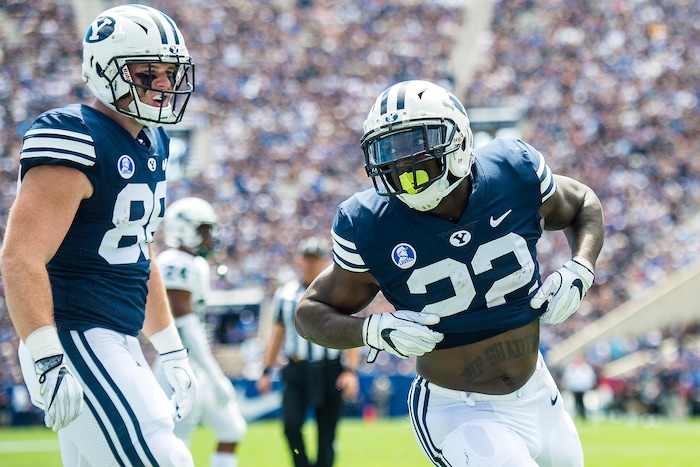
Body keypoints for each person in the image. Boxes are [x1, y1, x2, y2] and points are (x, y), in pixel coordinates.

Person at [295, 80, 605, 466]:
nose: (402, 164)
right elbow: (309, 312)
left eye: (415, 144)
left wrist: (581, 267)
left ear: (457, 139)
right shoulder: (369, 222)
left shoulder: (512, 171)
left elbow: (583, 204)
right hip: (460, 409)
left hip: (540, 393)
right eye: (389, 149)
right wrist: (369, 331)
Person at [1, 5, 198, 466]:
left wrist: (169, 347)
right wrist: (47, 355)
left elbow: (137, 251)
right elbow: (19, 257)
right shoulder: (74, 135)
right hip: (75, 332)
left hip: (118, 334)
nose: (163, 84)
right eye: (147, 72)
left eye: (168, 72)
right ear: (104, 71)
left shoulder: (155, 141)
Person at [154, 197, 248, 467]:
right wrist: (216, 374)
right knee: (177, 443)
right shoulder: (174, 260)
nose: (210, 238)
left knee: (232, 429)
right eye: (204, 230)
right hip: (177, 365)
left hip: (195, 364)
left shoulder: (194, 263)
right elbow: (185, 321)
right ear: (184, 228)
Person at [257, 237, 360, 467]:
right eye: (307, 259)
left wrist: (351, 371)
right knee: (291, 425)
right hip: (297, 368)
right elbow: (277, 334)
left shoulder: (337, 292)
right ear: (299, 261)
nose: (311, 264)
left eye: (315, 259)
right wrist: (266, 369)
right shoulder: (285, 294)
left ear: (324, 261)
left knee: (327, 435)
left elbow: (349, 332)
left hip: (330, 369)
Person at [561, 354, 597, 420]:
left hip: (582, 387)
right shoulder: (571, 367)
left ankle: (583, 414)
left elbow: (589, 377)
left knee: (582, 401)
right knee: (576, 401)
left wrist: (587, 385)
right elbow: (567, 378)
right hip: (574, 387)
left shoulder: (586, 368)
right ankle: (578, 414)